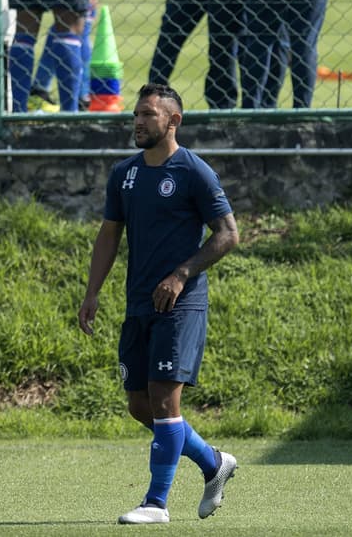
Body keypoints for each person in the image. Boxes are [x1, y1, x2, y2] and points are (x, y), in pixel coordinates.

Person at [78, 83, 240, 525]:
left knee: (166, 403)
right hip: (138, 304)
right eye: (136, 114)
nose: (138, 121)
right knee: (139, 405)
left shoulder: (193, 171)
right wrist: (92, 292)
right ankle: (213, 463)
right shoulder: (124, 174)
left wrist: (182, 273)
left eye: (149, 114)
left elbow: (228, 234)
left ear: (174, 120)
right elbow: (109, 234)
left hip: (181, 304)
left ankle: (156, 503)